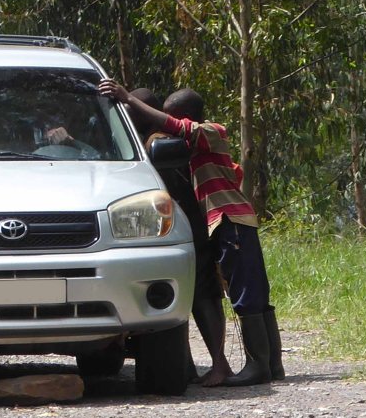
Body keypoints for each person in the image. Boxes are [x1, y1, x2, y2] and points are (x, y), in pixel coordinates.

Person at [99, 79, 284, 386]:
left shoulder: (211, 131)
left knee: (246, 295)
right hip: (227, 221)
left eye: (175, 119)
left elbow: (172, 124)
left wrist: (126, 99)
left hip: (230, 218)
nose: (172, 127)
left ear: (188, 116)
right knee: (253, 292)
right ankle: (272, 365)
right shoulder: (192, 146)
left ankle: (259, 366)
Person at [127, 88, 233, 387]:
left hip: (187, 233)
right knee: (182, 298)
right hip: (172, 232)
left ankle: (220, 363)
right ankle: (186, 363)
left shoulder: (159, 141)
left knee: (201, 295)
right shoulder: (145, 141)